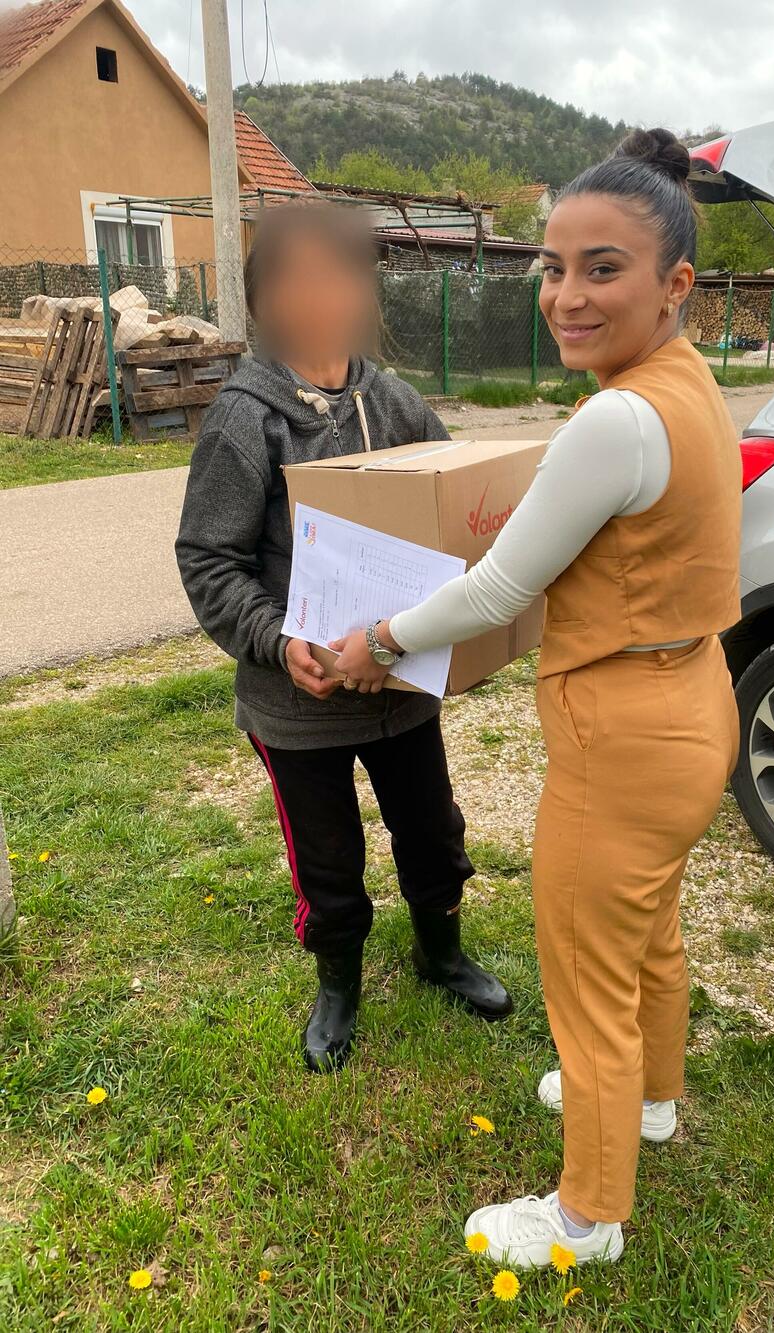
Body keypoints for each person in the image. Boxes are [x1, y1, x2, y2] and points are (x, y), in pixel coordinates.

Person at [332, 130, 742, 1266]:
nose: (566, 295)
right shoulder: (688, 384)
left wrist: (377, 639)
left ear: (674, 284)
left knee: (585, 970)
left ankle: (585, 1216)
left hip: (625, 738)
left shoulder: (615, 418)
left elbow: (499, 588)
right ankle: (651, 1101)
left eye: (603, 269)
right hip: (693, 702)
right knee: (646, 932)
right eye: (553, 267)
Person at [175, 203, 512, 1076]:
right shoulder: (245, 420)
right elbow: (208, 558)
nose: (323, 296)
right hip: (300, 704)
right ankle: (338, 984)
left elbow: (454, 512)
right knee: (327, 857)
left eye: (340, 275)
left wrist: (464, 630)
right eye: (300, 280)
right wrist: (273, 639)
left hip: (401, 690)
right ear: (264, 301)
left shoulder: (395, 402)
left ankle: (441, 953)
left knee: (432, 832)